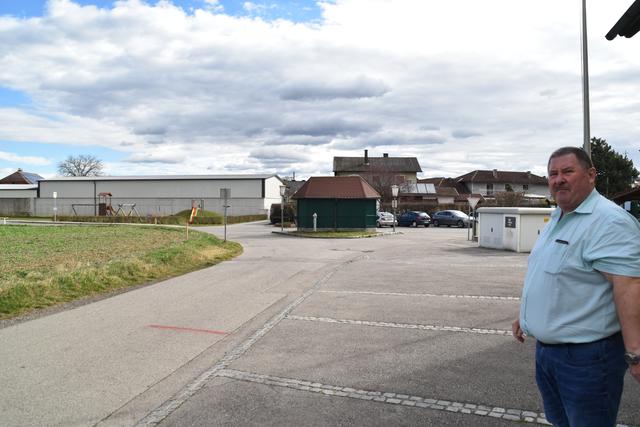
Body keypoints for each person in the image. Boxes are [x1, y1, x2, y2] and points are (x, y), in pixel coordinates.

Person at [512, 146, 640, 427]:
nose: (558, 179)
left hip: (588, 360)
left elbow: (628, 287)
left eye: (568, 171)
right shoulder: (559, 216)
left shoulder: (609, 222)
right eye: (553, 174)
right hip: (548, 354)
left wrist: (635, 353)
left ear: (591, 175)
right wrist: (526, 315)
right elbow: (551, 275)